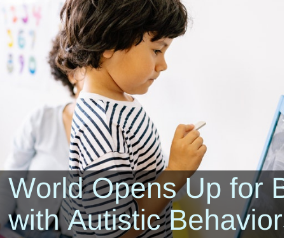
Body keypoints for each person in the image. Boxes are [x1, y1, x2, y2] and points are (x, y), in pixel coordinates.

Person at [57, 0, 207, 237]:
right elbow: (119, 231)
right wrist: (176, 171)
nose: (163, 65)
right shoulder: (102, 125)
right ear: (110, 43)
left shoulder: (118, 102)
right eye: (157, 50)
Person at [0, 34, 83, 238]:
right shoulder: (41, 120)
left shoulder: (118, 137)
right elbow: (10, 182)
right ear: (72, 74)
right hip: (19, 230)